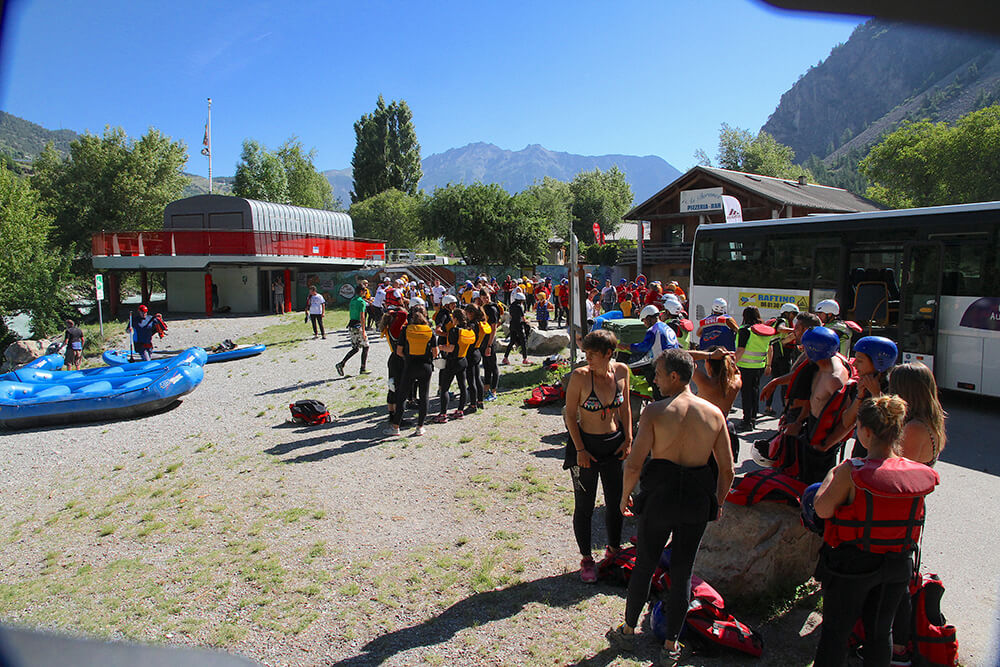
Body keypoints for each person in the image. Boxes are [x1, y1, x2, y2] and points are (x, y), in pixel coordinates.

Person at [607, 349, 735, 666]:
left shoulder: (654, 412)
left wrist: (624, 496)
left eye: (659, 373)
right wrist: (717, 502)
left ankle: (627, 630)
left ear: (674, 377)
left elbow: (635, 464)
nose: (655, 378)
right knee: (682, 573)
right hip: (695, 499)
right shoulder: (714, 414)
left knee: (646, 564)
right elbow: (728, 469)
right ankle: (670, 646)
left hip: (660, 497)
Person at [810, 395, 939, 667]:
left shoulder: (850, 471)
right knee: (881, 633)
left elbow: (822, 509)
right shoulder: (916, 471)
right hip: (897, 565)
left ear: (866, 432)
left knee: (835, 633)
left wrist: (831, 475)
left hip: (852, 566)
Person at [563, 329, 632, 583]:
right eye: (585, 353)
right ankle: (586, 559)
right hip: (586, 447)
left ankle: (613, 550)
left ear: (608, 354)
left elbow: (625, 406)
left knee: (616, 503)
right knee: (585, 506)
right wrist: (580, 449)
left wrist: (629, 438)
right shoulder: (580, 377)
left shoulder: (622, 371)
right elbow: (570, 415)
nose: (587, 358)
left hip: (614, 445)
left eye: (592, 354)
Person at [388, 306, 438, 437]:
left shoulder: (406, 330)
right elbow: (435, 353)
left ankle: (396, 427)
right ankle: (420, 427)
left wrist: (407, 358)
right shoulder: (430, 331)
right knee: (424, 396)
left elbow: (399, 351)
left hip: (410, 365)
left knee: (402, 396)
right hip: (425, 366)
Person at [620, 304, 679, 401]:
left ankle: (656, 402)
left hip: (664, 363)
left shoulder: (653, 330)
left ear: (649, 318)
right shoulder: (666, 326)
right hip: (673, 361)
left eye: (643, 320)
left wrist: (626, 346)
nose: (644, 324)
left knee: (656, 387)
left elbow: (642, 347)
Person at [693, 346, 742, 461]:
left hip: (703, 432)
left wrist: (709, 355)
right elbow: (736, 371)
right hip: (724, 429)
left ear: (708, 364)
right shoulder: (736, 382)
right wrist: (731, 361)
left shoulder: (705, 383)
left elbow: (684, 357)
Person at [735, 307, 774, 432]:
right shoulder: (764, 330)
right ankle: (753, 419)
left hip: (745, 366)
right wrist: (769, 365)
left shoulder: (745, 330)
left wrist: (731, 364)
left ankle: (746, 422)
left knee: (746, 394)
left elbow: (741, 350)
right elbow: (770, 349)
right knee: (755, 392)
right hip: (760, 366)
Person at [433, 308, 476, 422]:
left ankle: (443, 414)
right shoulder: (468, 330)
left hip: (452, 361)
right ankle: (460, 411)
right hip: (463, 359)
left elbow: (451, 348)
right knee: (462, 387)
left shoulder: (454, 331)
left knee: (445, 388)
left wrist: (441, 347)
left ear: (455, 318)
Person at [764, 303, 800, 416]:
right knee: (785, 382)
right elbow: (781, 329)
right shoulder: (782, 321)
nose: (794, 316)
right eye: (793, 313)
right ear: (786, 312)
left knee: (775, 381)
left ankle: (768, 407)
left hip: (777, 355)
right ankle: (785, 409)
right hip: (782, 357)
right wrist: (795, 331)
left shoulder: (786, 321)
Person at [336, 289, 370, 376]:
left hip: (351, 325)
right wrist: (364, 331)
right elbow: (362, 316)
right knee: (366, 346)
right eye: (365, 291)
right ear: (361, 291)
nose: (366, 293)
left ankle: (341, 364)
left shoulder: (353, 300)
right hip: (358, 326)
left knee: (355, 348)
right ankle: (363, 368)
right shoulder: (362, 302)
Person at [465, 304, 489, 412]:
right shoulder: (480, 323)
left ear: (471, 313)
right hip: (477, 351)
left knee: (471, 380)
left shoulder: (471, 325)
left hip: (470, 353)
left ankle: (473, 405)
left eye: (467, 313)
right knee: (478, 378)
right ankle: (480, 401)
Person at [481, 292, 501, 400]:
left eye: (487, 297)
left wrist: (489, 345)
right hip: (483, 341)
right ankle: (486, 389)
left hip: (490, 340)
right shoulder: (482, 308)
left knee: (493, 366)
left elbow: (494, 328)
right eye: (484, 298)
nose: (486, 299)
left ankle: (494, 392)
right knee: (486, 365)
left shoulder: (492, 309)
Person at [502, 292, 530, 366]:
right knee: (523, 341)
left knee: (512, 341)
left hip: (512, 324)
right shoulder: (519, 307)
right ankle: (525, 358)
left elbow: (511, 315)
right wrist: (527, 321)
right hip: (519, 325)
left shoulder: (511, 306)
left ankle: (505, 358)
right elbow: (523, 318)